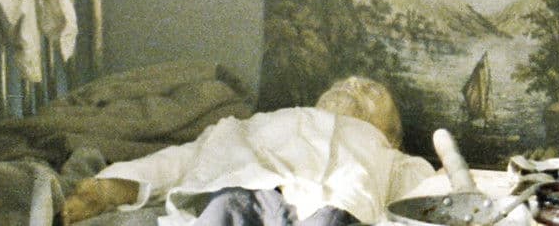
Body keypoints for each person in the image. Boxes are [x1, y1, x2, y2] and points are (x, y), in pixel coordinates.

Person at [62, 76, 438, 226]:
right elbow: (180, 160)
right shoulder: (264, 122)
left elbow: (429, 203)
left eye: (371, 90)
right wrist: (108, 189)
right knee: (225, 206)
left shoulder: (392, 157)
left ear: (392, 136)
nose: (352, 85)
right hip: (245, 194)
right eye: (343, 83)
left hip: (335, 212)